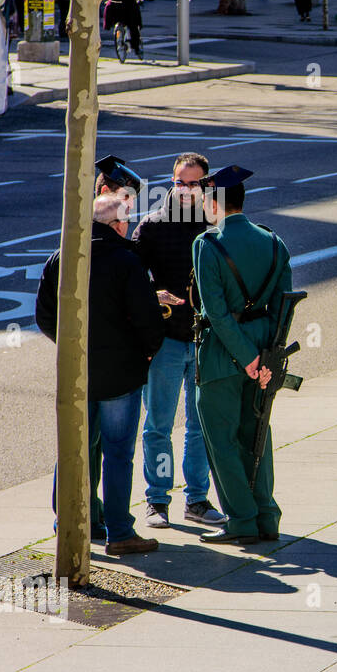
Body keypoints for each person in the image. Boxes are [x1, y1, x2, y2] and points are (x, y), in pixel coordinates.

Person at [36, 166, 165, 556]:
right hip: (120, 377)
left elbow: (44, 316)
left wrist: (72, 346)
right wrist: (146, 351)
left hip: (77, 372)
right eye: (126, 219)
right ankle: (121, 532)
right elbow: (148, 321)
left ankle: (68, 523)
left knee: (73, 449)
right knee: (118, 454)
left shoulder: (62, 257)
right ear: (117, 223)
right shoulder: (127, 262)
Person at [190, 167, 293, 545]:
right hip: (265, 346)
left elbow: (215, 313)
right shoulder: (274, 241)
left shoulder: (207, 244)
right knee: (257, 434)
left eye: (204, 200)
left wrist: (246, 358)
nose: (202, 205)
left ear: (215, 202)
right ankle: (266, 515)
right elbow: (284, 305)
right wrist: (267, 358)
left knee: (222, 438)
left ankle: (242, 519)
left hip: (222, 355)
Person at [132, 153, 228, 531]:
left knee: (199, 425)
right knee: (158, 424)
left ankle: (198, 500)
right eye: (178, 182)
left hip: (205, 340)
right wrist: (155, 293)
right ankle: (157, 500)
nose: (184, 189)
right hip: (166, 341)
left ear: (206, 184)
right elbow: (132, 277)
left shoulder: (215, 225)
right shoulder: (153, 225)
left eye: (192, 183)